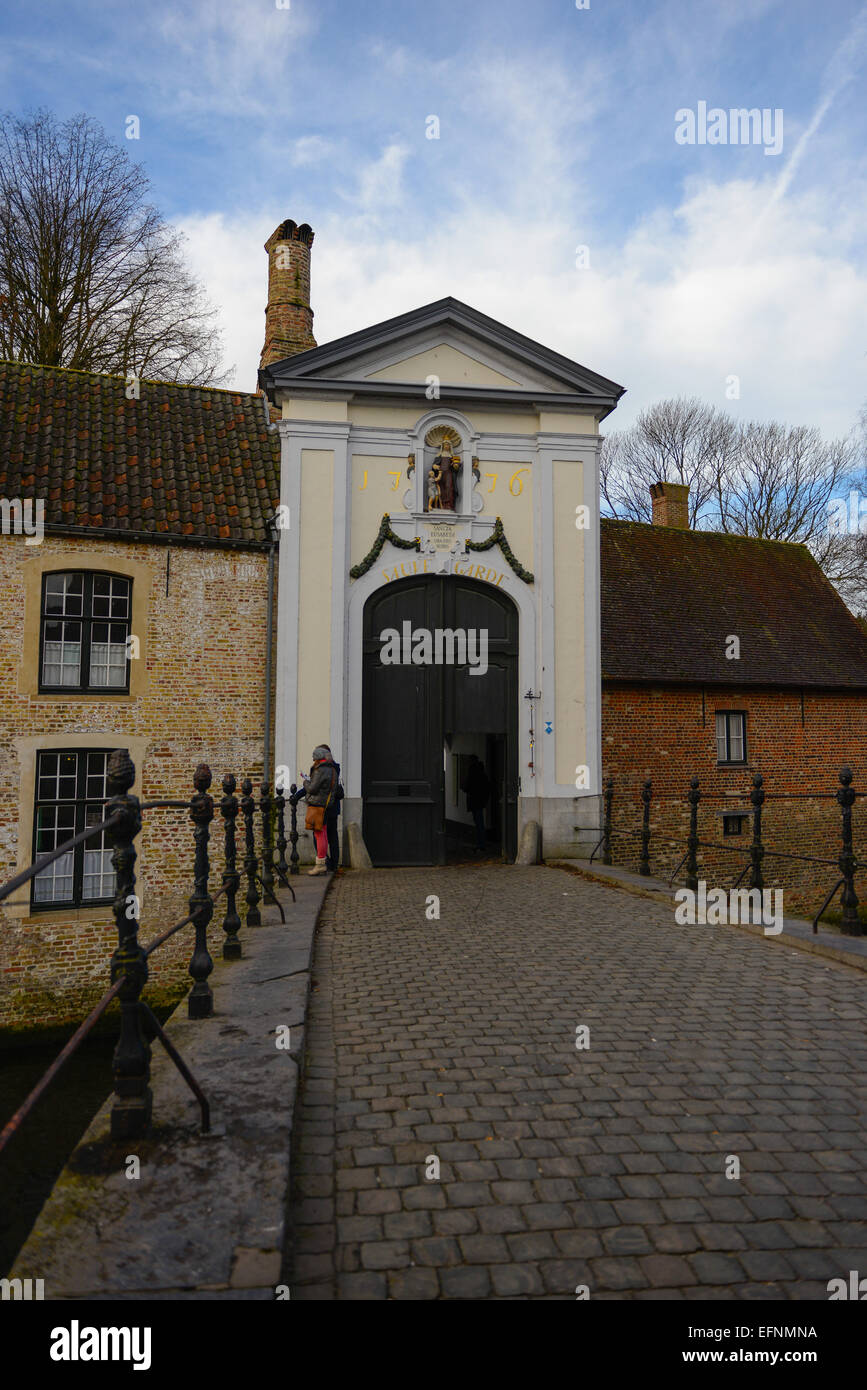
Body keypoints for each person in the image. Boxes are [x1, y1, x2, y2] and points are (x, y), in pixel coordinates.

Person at [295, 745, 340, 875]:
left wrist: (305, 782)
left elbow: (312, 788)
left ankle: (321, 864)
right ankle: (329, 864)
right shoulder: (333, 769)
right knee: (328, 835)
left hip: (318, 806)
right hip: (328, 806)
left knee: (319, 835)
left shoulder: (321, 770)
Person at [461, 753, 490, 853]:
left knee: (478, 823)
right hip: (480, 802)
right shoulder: (482, 774)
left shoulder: (472, 772)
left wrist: (465, 787)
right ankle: (481, 844)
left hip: (475, 801)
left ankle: (481, 845)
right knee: (479, 823)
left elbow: (467, 786)